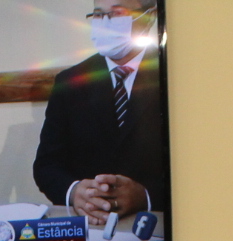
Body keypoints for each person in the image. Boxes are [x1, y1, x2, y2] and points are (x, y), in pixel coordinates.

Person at [33, 2, 170, 226]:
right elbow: (46, 166)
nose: (105, 23)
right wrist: (74, 192)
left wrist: (145, 196)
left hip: (156, 224)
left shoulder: (173, 72)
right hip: (88, 224)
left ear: (149, 17)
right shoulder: (70, 82)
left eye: (117, 13)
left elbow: (198, 166)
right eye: (98, 15)